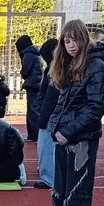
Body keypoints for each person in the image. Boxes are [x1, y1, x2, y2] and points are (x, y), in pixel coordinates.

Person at [45, 19, 104, 206]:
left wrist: (67, 132)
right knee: (60, 190)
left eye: (75, 39)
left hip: (81, 139)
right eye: (67, 40)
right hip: (64, 137)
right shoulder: (68, 64)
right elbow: (63, 103)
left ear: (83, 38)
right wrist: (54, 128)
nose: (71, 45)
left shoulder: (96, 65)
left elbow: (94, 108)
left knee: (77, 192)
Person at [33, 38, 59, 189]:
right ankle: (50, 173)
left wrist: (43, 116)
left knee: (45, 145)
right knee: (49, 145)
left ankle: (49, 177)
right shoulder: (53, 67)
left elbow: (50, 96)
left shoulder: (53, 69)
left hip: (49, 113)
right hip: (51, 111)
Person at [15, 36, 44, 141]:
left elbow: (26, 71)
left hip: (33, 84)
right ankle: (32, 135)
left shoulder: (28, 54)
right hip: (36, 83)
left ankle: (36, 135)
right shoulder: (35, 53)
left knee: (33, 111)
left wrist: (22, 73)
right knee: (32, 110)